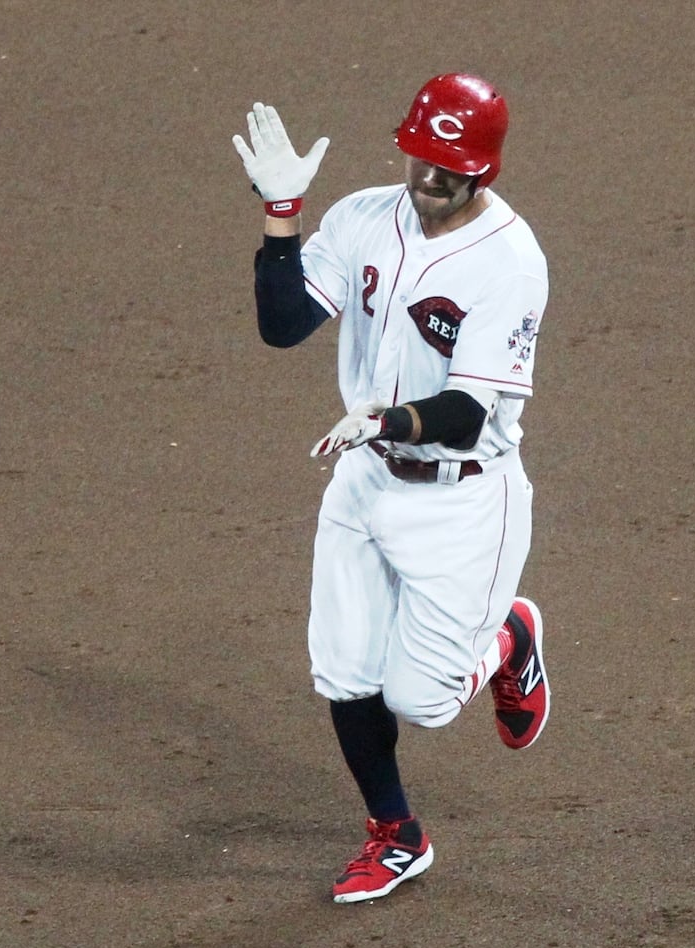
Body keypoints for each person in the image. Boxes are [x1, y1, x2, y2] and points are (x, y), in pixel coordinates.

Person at [231, 73, 553, 903]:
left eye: (449, 168)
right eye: (419, 159)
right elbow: (283, 325)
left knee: (424, 701)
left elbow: (462, 410)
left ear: (485, 170)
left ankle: (511, 637)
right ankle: (396, 834)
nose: (427, 180)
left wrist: (381, 420)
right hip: (365, 478)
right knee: (342, 673)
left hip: (462, 496)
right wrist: (283, 218)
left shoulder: (510, 264)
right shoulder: (365, 216)